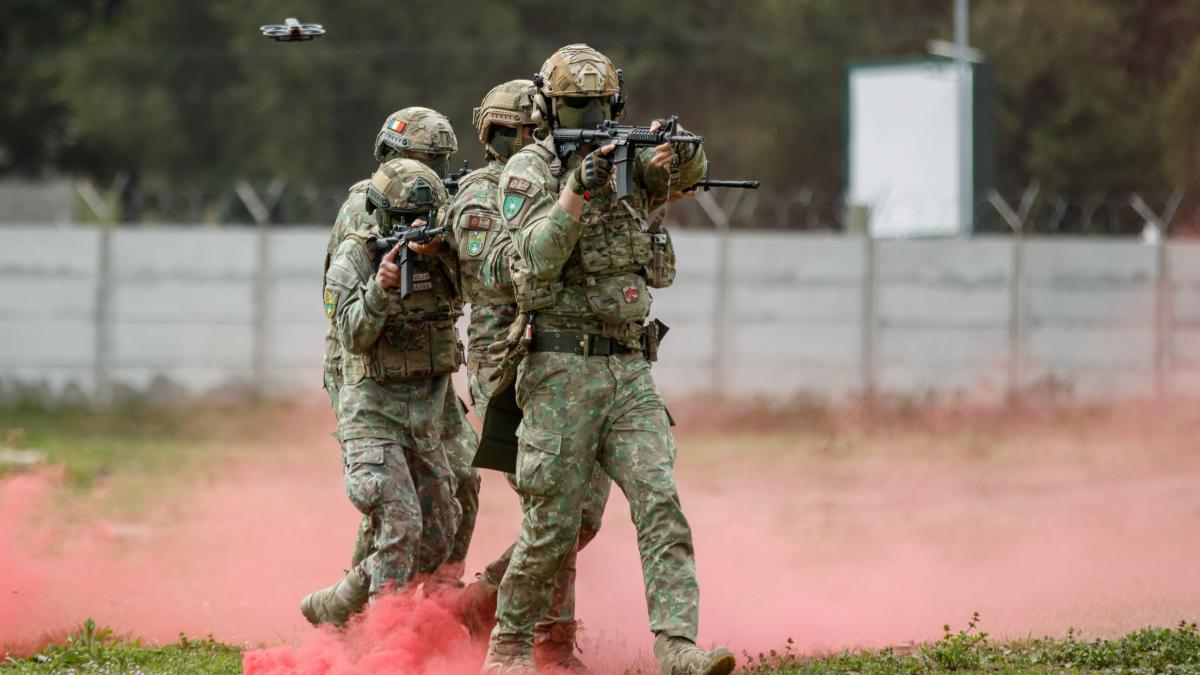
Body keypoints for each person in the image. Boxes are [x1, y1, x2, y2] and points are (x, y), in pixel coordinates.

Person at [481, 44, 735, 675]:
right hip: (558, 368)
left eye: (598, 105)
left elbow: (689, 175)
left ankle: (676, 646)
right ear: (548, 106)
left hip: (628, 366)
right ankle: (508, 646)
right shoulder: (529, 171)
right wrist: (577, 189)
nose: (589, 116)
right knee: (552, 525)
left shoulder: (628, 160)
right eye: (576, 106)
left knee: (660, 502)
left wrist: (675, 150)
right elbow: (532, 259)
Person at [446, 79, 611, 672]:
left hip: (564, 358)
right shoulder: (480, 195)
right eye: (514, 131)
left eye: (534, 130)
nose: (528, 140)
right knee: (554, 503)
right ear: (491, 133)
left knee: (582, 511)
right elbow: (495, 270)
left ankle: (487, 596)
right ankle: (551, 642)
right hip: (505, 363)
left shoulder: (560, 180)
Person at [302, 157, 469, 625]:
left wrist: (442, 253)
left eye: (423, 218)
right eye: (403, 219)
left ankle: (340, 602)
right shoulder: (355, 257)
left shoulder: (444, 255)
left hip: (424, 417)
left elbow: (480, 290)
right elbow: (352, 335)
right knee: (401, 523)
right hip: (372, 414)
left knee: (440, 531)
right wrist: (379, 289)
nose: (414, 227)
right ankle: (384, 639)